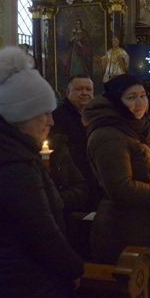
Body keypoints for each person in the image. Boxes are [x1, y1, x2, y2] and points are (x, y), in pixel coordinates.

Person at [0, 46, 84, 298]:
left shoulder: (1, 151)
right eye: (44, 112)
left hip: (7, 284)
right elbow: (41, 233)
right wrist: (74, 269)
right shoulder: (12, 167)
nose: (51, 120)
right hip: (23, 292)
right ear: (22, 115)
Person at [82, 74, 150, 298]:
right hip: (124, 228)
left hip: (148, 225)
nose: (140, 103)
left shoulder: (139, 127)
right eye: (131, 98)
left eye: (143, 96)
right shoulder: (108, 134)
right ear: (117, 101)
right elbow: (121, 189)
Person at [52, 74, 100, 210]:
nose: (85, 93)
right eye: (79, 89)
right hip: (74, 179)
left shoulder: (99, 115)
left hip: (96, 178)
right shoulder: (58, 117)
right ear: (68, 92)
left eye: (88, 89)